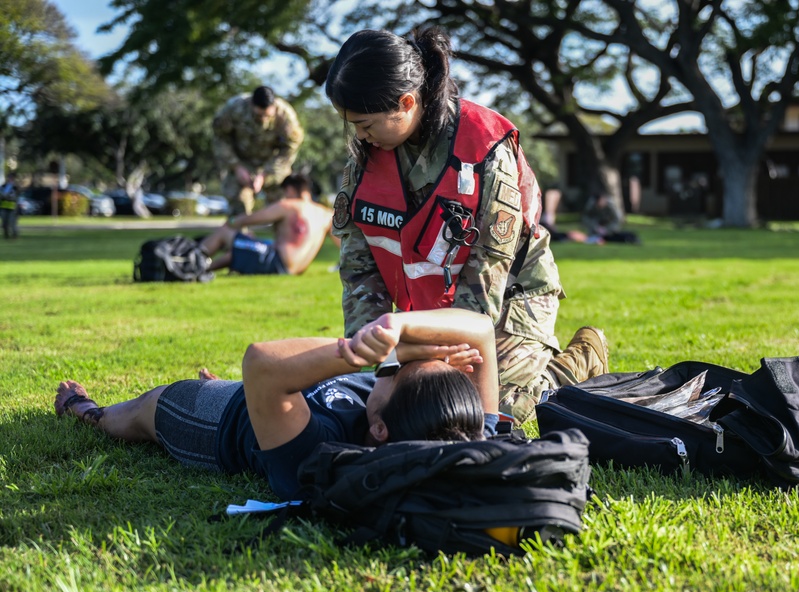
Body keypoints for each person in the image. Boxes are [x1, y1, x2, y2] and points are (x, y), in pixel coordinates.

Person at [325, 27, 608, 424]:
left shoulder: (484, 151)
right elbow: (359, 272)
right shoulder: (368, 155)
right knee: (405, 402)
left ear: (406, 102)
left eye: (366, 123)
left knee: (490, 409)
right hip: (430, 307)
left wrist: (436, 357)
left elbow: (484, 285)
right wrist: (384, 364)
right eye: (351, 123)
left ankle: (578, 360)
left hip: (510, 299)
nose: (359, 135)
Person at [54, 309, 500, 501]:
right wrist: (401, 330)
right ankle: (256, 397)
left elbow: (262, 363)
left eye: (402, 375)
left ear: (380, 429)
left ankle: (83, 409)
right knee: (268, 388)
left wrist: (389, 353)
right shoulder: (467, 432)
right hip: (286, 395)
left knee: (136, 412)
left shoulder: (320, 459)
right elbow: (480, 329)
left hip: (217, 421)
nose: (423, 356)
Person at [197, 173, 337, 276]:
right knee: (244, 245)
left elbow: (252, 219)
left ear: (290, 190)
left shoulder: (289, 206)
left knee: (225, 232)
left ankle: (192, 261)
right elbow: (342, 244)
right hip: (296, 269)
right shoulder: (326, 214)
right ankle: (203, 268)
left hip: (278, 263)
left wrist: (232, 222)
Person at [213, 85, 305, 221]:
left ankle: (283, 239)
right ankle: (238, 237)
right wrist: (236, 166)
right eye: (259, 115)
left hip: (273, 164)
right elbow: (220, 138)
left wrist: (265, 174)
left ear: (274, 106)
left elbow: (290, 147)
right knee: (238, 202)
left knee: (283, 203)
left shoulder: (285, 115)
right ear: (251, 104)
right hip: (241, 162)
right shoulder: (234, 108)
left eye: (267, 116)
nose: (263, 120)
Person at [1, 173, 19, 240]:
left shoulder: (15, 187)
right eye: (9, 178)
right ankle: (6, 235)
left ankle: (14, 235)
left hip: (12, 208)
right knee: (4, 223)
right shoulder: (3, 186)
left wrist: (7, 195)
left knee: (12, 223)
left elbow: (14, 196)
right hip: (4, 207)